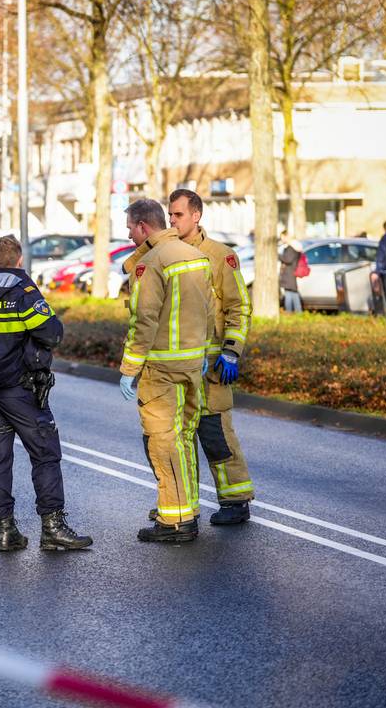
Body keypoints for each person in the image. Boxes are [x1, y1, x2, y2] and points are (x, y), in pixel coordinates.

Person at [0, 235, 92, 552]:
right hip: (21, 390)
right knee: (45, 455)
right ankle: (53, 528)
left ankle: (5, 531)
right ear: (19, 260)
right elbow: (52, 334)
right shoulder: (23, 293)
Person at [118, 198, 213, 542]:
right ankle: (188, 509)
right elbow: (209, 309)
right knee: (185, 439)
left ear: (143, 226)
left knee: (163, 443)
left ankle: (174, 523)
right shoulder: (194, 255)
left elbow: (143, 321)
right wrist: (204, 350)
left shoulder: (152, 262)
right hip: (191, 365)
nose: (128, 234)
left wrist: (130, 368)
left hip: (162, 368)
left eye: (129, 227)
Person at [165, 189, 255, 524]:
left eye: (178, 215)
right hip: (176, 367)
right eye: (169, 215)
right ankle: (180, 504)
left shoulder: (220, 256)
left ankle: (236, 500)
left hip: (211, 370)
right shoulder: (166, 254)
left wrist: (232, 351)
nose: (172, 221)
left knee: (215, 433)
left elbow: (239, 307)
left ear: (196, 215)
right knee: (176, 439)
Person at [278, 236, 303, 313]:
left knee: (290, 292)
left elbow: (287, 259)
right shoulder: (294, 249)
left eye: (283, 237)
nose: (282, 239)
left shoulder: (291, 249)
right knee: (291, 292)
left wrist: (278, 255)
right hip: (289, 273)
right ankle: (297, 311)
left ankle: (290, 311)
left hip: (289, 273)